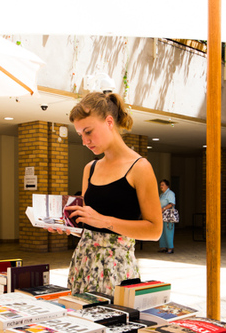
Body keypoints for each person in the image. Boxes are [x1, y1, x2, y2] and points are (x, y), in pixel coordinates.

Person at [60, 91, 163, 296]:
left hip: (117, 269)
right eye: (80, 134)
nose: (84, 141)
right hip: (83, 264)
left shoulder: (140, 167)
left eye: (88, 131)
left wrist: (105, 221)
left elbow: (155, 230)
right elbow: (90, 223)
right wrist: (67, 226)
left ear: (109, 122)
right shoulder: (90, 168)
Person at [158, 179, 176, 254]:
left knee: (168, 230)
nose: (161, 186)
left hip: (168, 215)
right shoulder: (162, 194)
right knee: (162, 231)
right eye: (160, 185)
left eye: (163, 185)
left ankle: (170, 248)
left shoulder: (170, 193)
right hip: (162, 215)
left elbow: (172, 203)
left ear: (167, 185)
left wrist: (163, 208)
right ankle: (163, 247)